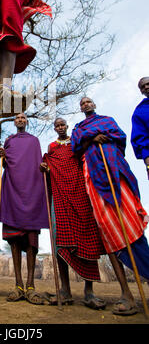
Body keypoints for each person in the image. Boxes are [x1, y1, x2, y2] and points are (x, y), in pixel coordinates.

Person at [71, 96, 149, 316]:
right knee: (108, 230)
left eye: (88, 102)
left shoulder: (108, 120)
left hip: (116, 172)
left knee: (130, 222)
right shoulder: (79, 128)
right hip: (94, 179)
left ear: (94, 105)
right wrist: (91, 138)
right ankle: (127, 294)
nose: (86, 105)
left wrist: (103, 139)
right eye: (82, 103)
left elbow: (120, 138)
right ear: (80, 109)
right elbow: (77, 148)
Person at [40, 117, 106, 309]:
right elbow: (47, 164)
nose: (60, 127)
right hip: (60, 195)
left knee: (88, 239)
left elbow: (85, 156)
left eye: (63, 125)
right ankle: (65, 291)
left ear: (66, 126)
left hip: (80, 193)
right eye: (57, 125)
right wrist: (43, 167)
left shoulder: (76, 142)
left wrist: (93, 139)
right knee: (60, 241)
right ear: (54, 128)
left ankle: (89, 292)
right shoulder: (52, 147)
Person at [0, 113, 49, 305]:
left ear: (26, 122)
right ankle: (18, 285)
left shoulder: (34, 141)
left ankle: (30, 286)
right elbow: (6, 165)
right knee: (14, 243)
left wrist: (44, 167)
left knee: (30, 245)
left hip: (31, 194)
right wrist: (2, 156)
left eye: (23, 118)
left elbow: (37, 165)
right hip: (12, 193)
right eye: (17, 118)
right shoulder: (9, 141)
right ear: (14, 122)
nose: (20, 119)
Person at [131, 76, 149, 179]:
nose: (146, 87)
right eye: (143, 87)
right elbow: (141, 139)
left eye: (148, 84)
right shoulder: (139, 112)